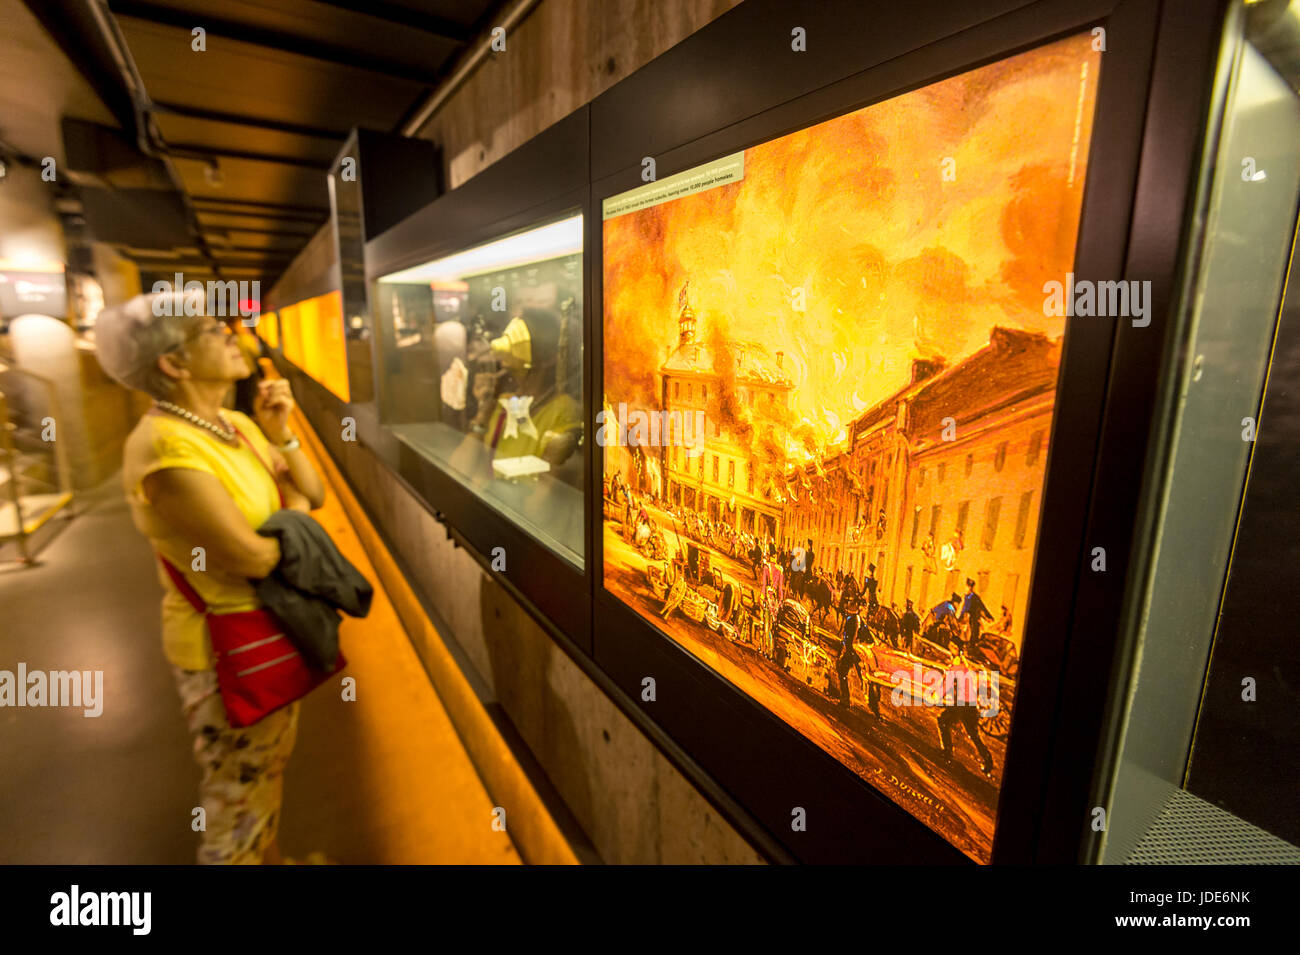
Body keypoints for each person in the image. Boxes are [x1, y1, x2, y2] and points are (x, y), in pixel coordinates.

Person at [94, 291, 327, 865]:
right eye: (210, 330)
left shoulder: (235, 424)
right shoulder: (165, 450)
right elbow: (251, 556)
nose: (230, 333)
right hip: (224, 653)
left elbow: (313, 494)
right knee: (233, 810)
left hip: (267, 630)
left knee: (262, 776)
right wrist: (291, 516)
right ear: (173, 363)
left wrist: (284, 432)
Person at [936, 650, 994, 777]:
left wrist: (938, 697)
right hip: (970, 705)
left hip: (962, 704)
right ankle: (988, 760)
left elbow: (948, 684)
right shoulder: (965, 666)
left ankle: (947, 754)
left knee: (943, 721)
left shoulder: (957, 666)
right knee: (973, 735)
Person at [961, 578, 994, 645]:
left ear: (970, 587)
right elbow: (965, 608)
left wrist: (988, 616)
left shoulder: (974, 597)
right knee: (967, 633)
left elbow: (982, 607)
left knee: (974, 633)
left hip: (974, 618)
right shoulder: (967, 596)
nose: (966, 588)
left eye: (967, 587)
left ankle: (972, 645)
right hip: (968, 618)